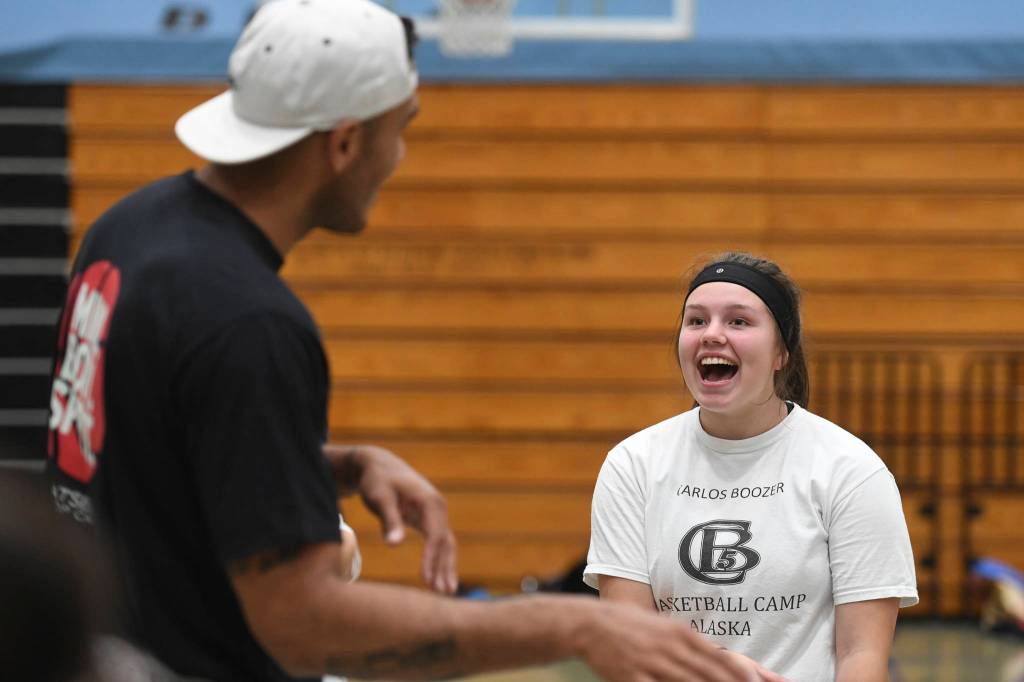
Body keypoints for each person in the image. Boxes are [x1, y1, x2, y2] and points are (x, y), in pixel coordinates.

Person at [45, 1, 755, 681]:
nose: (399, 155)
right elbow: (303, 624)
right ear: (346, 142)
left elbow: (149, 451)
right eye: (399, 129)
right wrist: (574, 625)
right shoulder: (248, 321)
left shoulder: (129, 229)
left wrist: (333, 466)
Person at [585, 252, 919, 682]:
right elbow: (624, 645)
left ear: (782, 353)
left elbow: (862, 656)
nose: (712, 335)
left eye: (738, 321)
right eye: (696, 321)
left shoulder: (850, 471)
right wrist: (712, 664)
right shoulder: (633, 465)